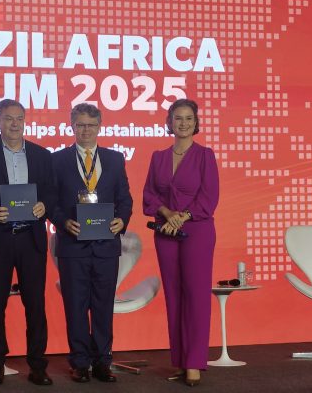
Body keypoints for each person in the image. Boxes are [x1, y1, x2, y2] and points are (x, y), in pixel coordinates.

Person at [0, 99, 56, 386]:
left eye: (19, 118)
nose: (14, 124)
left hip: (31, 238)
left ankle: (38, 365)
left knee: (36, 304)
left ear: (25, 121)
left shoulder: (42, 155)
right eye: (8, 118)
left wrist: (45, 205)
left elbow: (52, 192)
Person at [50, 103, 132, 383]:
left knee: (103, 306)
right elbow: (51, 202)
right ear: (72, 126)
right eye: (81, 125)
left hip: (106, 246)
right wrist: (63, 222)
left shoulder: (115, 159)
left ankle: (102, 362)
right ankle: (80, 363)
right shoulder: (57, 160)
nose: (86, 130)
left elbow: (125, 199)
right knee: (75, 307)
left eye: (91, 125)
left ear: (100, 127)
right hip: (72, 246)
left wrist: (122, 220)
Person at [142, 98, 219, 387]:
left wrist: (182, 217)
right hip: (165, 232)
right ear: (169, 122)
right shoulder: (158, 157)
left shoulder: (205, 156)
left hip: (197, 232)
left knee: (196, 297)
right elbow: (149, 195)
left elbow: (209, 197)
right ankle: (181, 360)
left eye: (188, 118)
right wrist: (167, 214)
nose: (183, 123)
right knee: (174, 297)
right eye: (178, 118)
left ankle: (195, 362)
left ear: (195, 123)